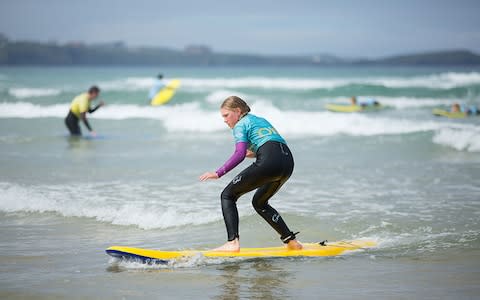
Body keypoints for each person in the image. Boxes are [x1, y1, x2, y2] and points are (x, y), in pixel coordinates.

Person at [199, 96, 302, 252]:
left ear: (238, 111)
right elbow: (270, 143)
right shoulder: (259, 120)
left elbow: (239, 154)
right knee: (260, 203)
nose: (225, 120)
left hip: (269, 162)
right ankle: (292, 241)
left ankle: (232, 242)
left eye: (226, 115)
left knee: (228, 195)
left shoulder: (240, 125)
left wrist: (218, 173)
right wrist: (254, 154)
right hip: (287, 163)